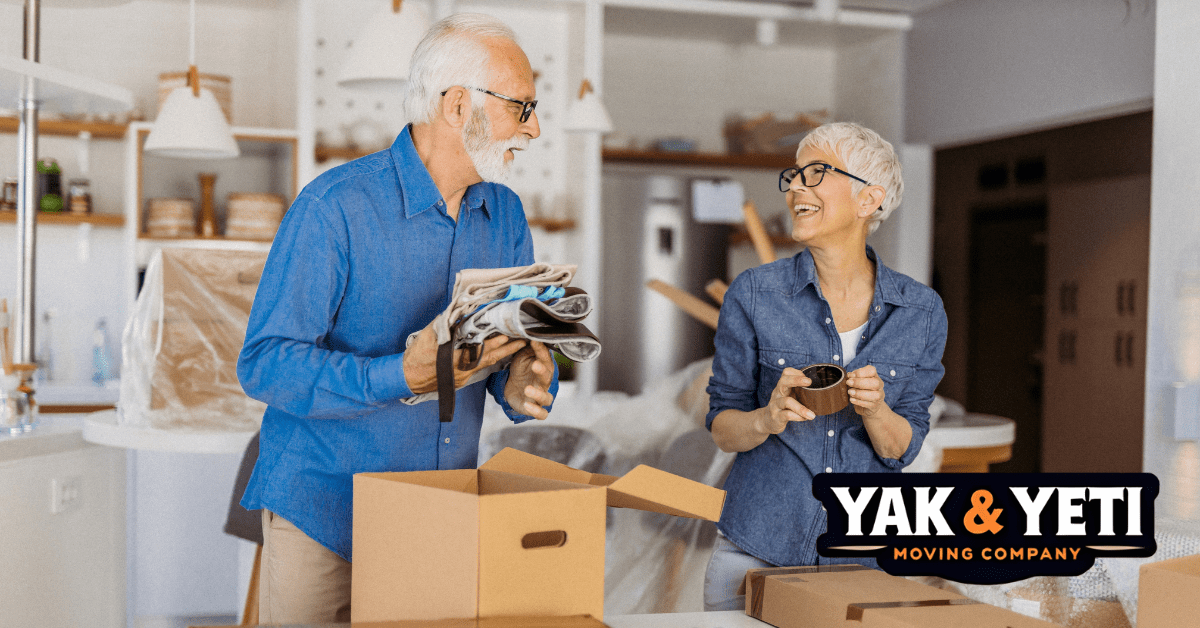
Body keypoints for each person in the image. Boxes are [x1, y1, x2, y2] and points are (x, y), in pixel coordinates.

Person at [236, 14, 558, 623]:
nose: (534, 128)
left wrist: (520, 380)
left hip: (436, 512)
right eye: (523, 107)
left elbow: (503, 349)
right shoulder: (334, 206)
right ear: (459, 106)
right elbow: (264, 364)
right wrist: (400, 376)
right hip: (324, 510)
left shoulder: (506, 214)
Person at [702, 122, 948, 611]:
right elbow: (723, 428)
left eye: (815, 173)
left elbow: (902, 450)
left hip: (865, 561)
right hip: (755, 547)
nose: (795, 186)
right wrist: (765, 419)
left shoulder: (922, 311)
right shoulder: (753, 293)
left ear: (867, 199)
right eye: (793, 175)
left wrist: (877, 410)